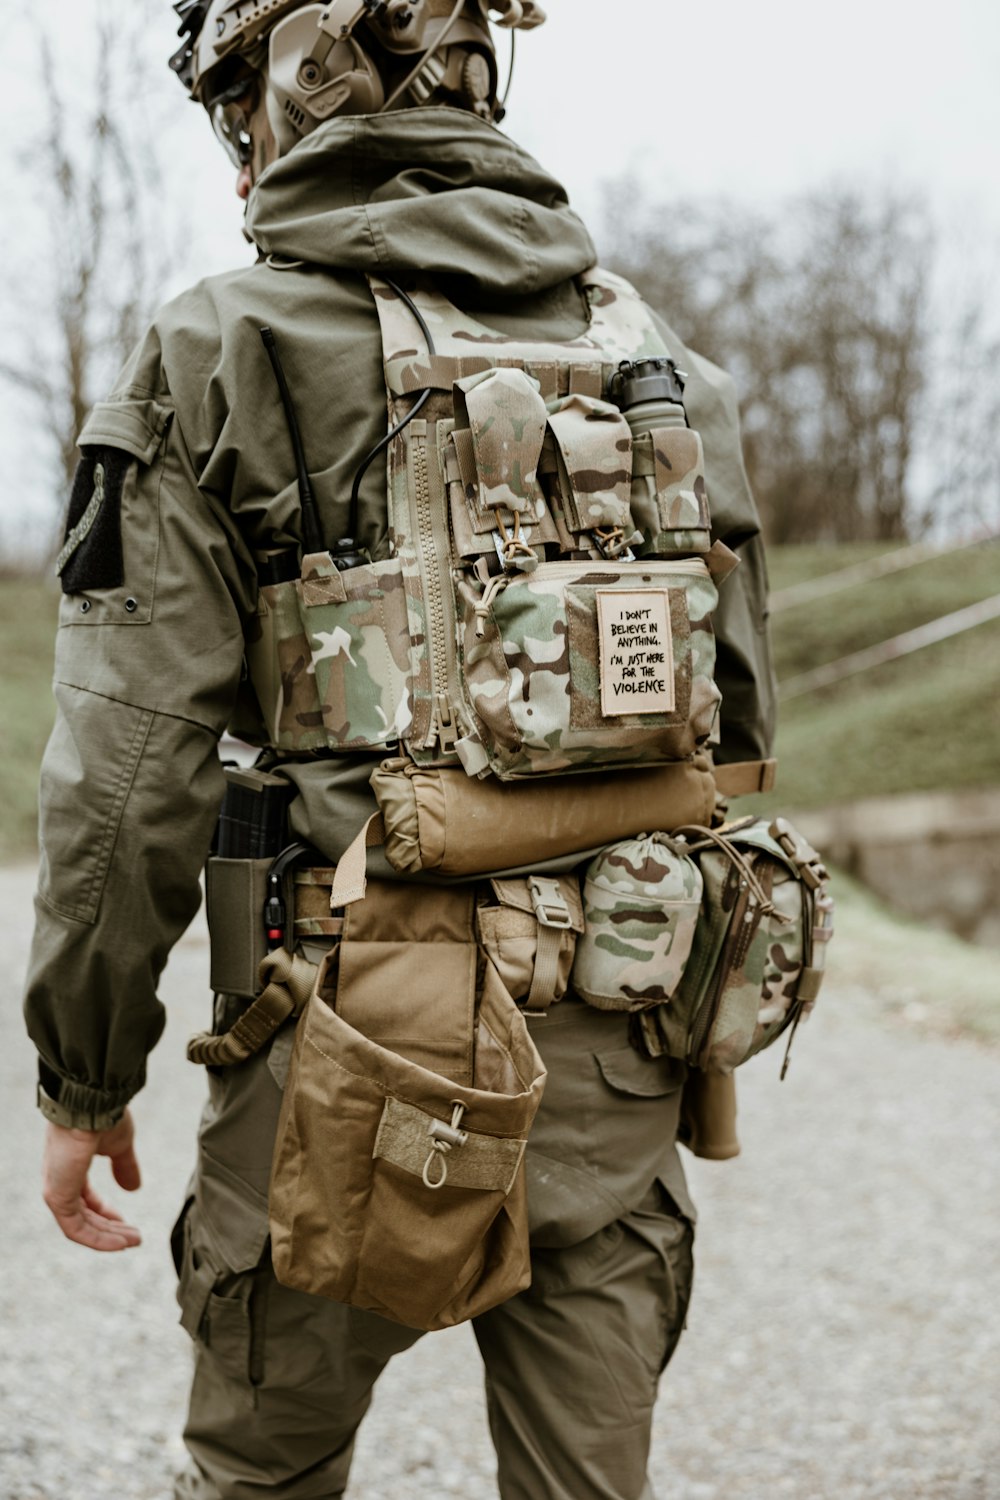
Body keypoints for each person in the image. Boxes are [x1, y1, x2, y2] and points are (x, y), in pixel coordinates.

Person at [24, 2, 776, 1496]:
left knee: (263, 1479)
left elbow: (125, 791)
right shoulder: (665, 362)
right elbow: (737, 728)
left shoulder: (221, 344)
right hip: (621, 1057)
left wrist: (84, 1081)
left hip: (343, 1056)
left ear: (285, 95)